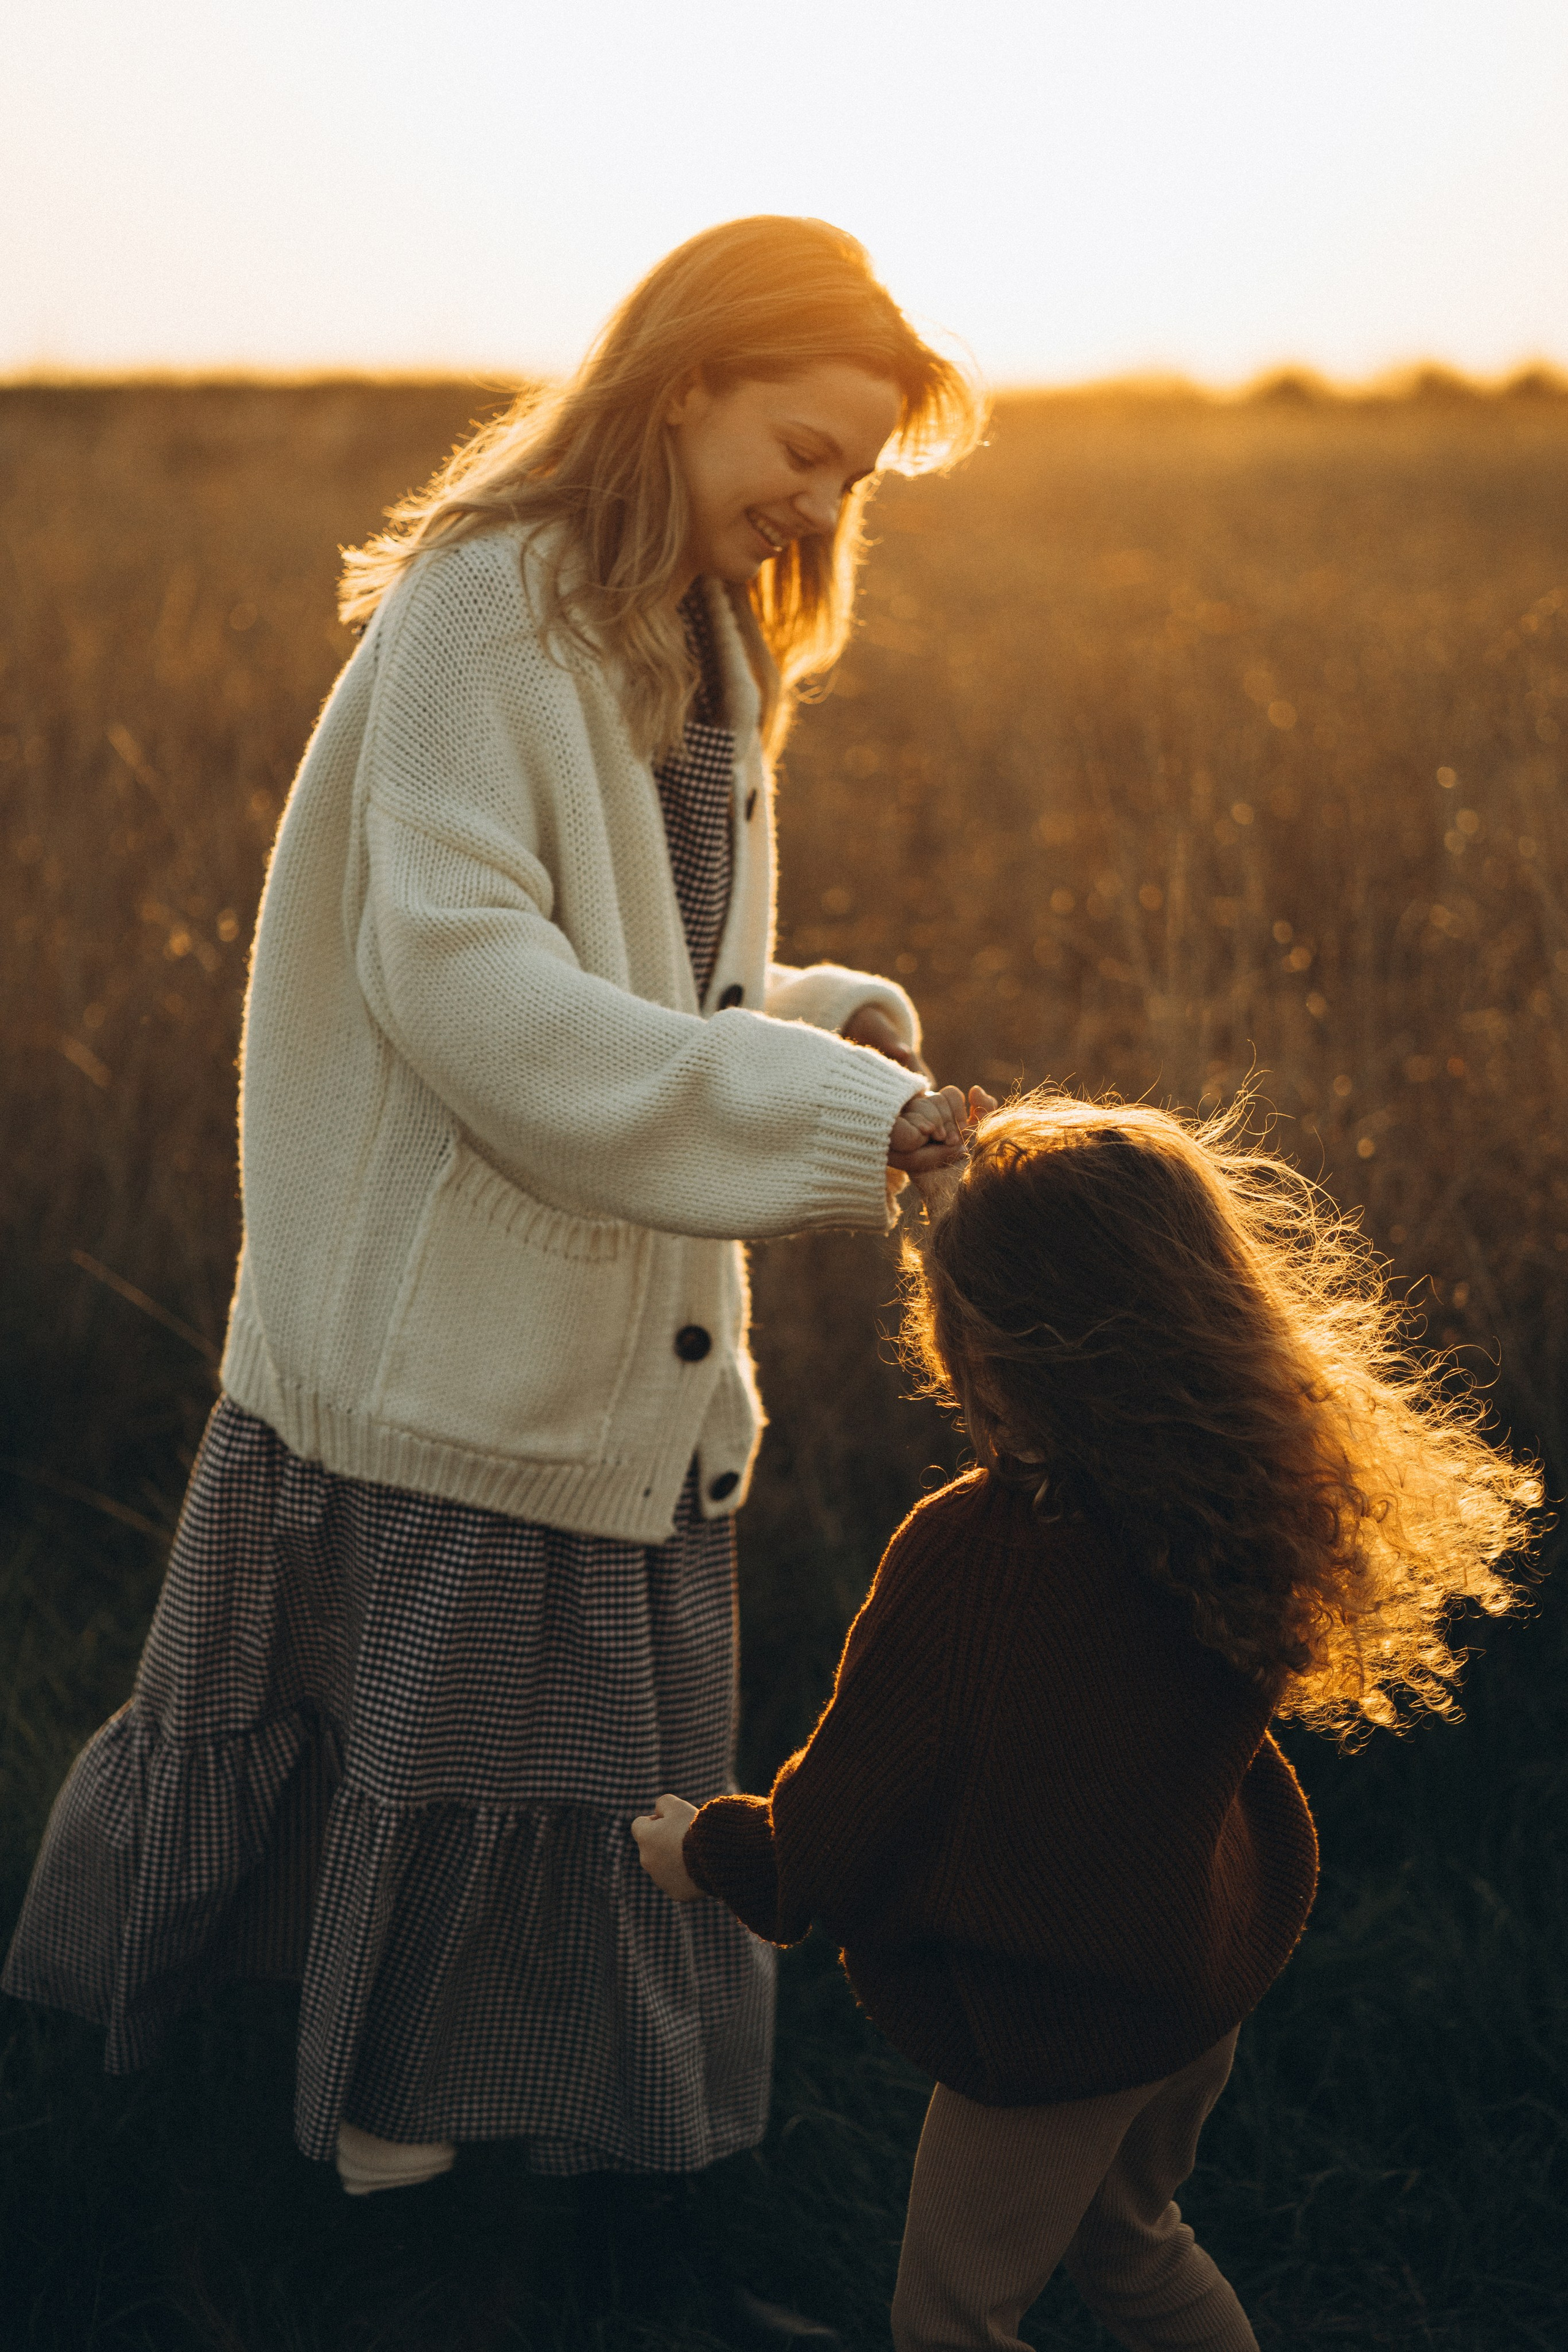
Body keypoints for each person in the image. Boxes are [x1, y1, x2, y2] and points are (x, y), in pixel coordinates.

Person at [2, 216, 985, 2238]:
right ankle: (371, 2234)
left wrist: (828, 1028)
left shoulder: (699, 634)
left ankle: (520, 2196)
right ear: (685, 377)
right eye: (801, 446)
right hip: (448, 1356)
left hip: (598, 1348)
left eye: (856, 476)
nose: (823, 500)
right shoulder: (491, 608)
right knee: (434, 1822)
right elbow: (472, 993)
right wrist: (837, 1118)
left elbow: (650, 987)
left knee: (559, 1831)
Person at [633, 1089, 1539, 2352]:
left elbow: (838, 1812)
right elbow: (1068, 1293)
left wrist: (705, 1855)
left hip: (1051, 2025)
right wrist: (975, 1210)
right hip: (1185, 1988)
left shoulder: (972, 1558)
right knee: (1134, 2247)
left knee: (950, 2315)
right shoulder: (1230, 1501)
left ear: (989, 1345)